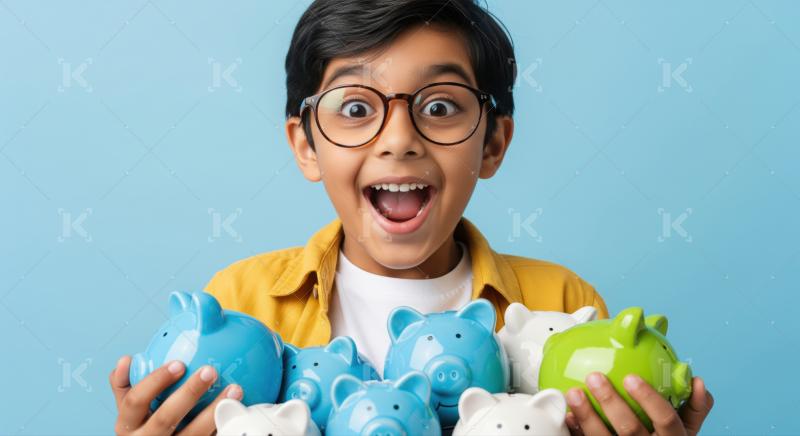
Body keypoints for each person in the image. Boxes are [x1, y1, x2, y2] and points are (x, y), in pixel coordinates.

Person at [108, 1, 714, 434]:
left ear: (494, 143)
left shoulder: (563, 304)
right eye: (353, 107)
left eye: (442, 105)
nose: (399, 139)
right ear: (305, 145)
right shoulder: (241, 302)